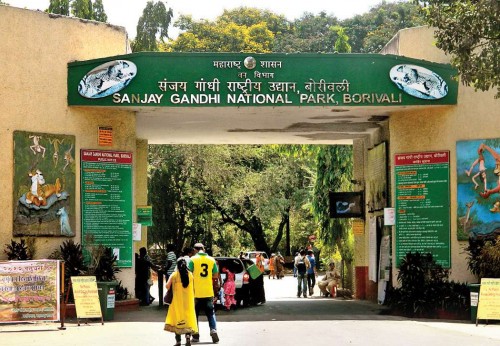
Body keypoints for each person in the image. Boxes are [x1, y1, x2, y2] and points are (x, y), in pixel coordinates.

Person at [188, 243, 220, 344]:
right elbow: (215, 276)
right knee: (210, 313)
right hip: (208, 291)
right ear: (203, 249)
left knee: (194, 314)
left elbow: (188, 274)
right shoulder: (211, 260)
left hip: (195, 292)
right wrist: (216, 291)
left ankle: (196, 336)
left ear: (195, 250)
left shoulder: (192, 259)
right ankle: (213, 329)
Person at [164, 258, 198, 346]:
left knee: (177, 319)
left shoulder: (174, 275)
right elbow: (193, 288)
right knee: (188, 319)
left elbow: (167, 286)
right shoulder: (190, 275)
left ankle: (178, 341)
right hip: (188, 301)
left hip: (177, 302)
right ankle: (187, 337)